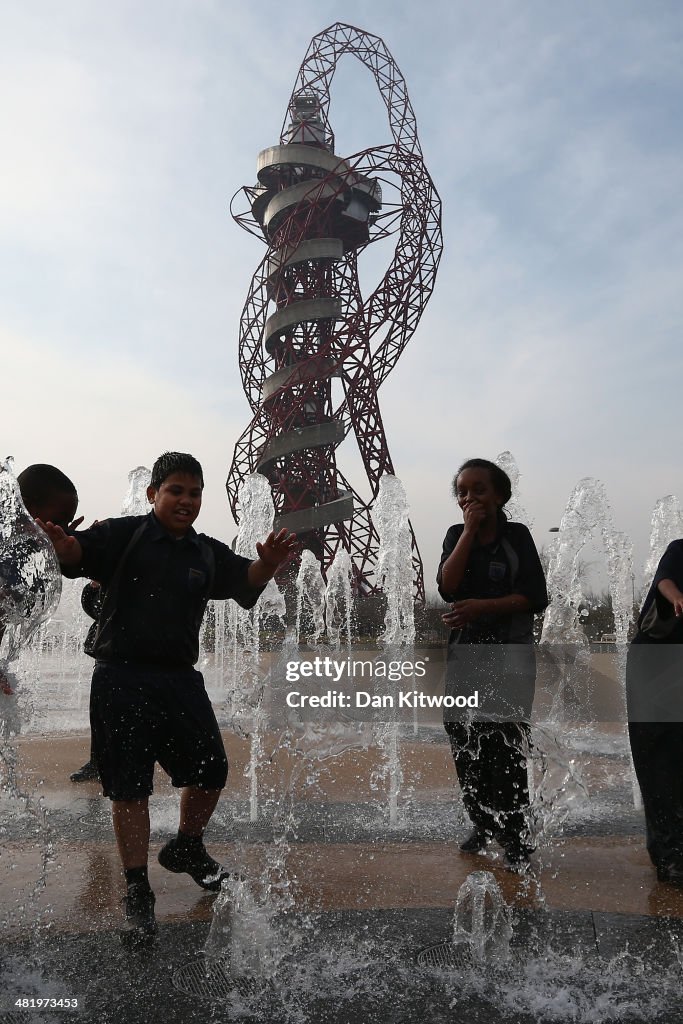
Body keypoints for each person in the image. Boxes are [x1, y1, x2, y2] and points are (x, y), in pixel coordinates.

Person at [39, 452, 296, 943]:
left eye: (195, 492)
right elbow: (77, 557)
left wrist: (265, 565)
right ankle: (137, 887)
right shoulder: (122, 534)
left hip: (179, 679)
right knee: (129, 788)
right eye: (176, 490)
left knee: (211, 770)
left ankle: (187, 847)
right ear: (153, 493)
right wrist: (63, 547)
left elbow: (242, 582)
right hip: (121, 677)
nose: (186, 500)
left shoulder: (205, 551)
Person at [437, 458, 548, 870]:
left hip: (511, 656)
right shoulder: (455, 534)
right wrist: (467, 532)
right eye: (463, 492)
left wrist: (483, 606)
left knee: (505, 744)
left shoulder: (516, 537)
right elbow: (448, 586)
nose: (470, 497)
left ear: (499, 496)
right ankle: (483, 821)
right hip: (467, 656)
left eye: (479, 489)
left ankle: (516, 836)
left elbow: (535, 596)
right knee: (464, 738)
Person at [627, 540, 683, 885]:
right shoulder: (680, 550)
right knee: (658, 761)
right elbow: (665, 580)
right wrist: (677, 596)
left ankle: (668, 849)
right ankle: (670, 855)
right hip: (655, 664)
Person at [1, 464, 80, 695]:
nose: (61, 528)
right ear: (26, 504)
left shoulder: (27, 547)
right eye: (59, 519)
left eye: (67, 522)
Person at [69, 581, 102, 782]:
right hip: (108, 655)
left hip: (130, 654)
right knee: (99, 712)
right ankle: (96, 763)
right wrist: (92, 588)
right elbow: (94, 610)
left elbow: (100, 610)